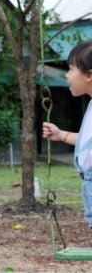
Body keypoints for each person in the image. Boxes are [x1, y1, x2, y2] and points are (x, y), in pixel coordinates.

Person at [43, 41, 92, 228]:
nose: (67, 75)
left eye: (71, 70)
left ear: (89, 75)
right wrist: (61, 134)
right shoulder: (90, 106)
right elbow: (87, 142)